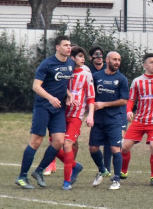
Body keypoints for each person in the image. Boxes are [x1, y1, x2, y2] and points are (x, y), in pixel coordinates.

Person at [16, 36, 75, 189]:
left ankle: (39, 171)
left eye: (70, 45)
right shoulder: (47, 64)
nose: (69, 48)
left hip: (58, 109)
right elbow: (36, 86)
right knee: (36, 141)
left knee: (59, 141)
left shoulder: (70, 63)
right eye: (66, 45)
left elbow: (61, 82)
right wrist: (50, 98)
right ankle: (22, 176)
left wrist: (68, 93)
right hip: (43, 106)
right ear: (57, 47)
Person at [121, 53, 153, 186]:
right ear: (145, 65)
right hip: (139, 120)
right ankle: (124, 171)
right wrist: (128, 111)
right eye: (151, 62)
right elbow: (131, 99)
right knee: (125, 147)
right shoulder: (137, 81)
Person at [51, 46, 95, 190]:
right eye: (80, 56)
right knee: (54, 145)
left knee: (67, 144)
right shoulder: (64, 72)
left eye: (83, 56)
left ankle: (66, 182)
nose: (83, 59)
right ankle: (75, 166)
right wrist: (67, 94)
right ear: (72, 58)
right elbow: (57, 86)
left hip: (76, 115)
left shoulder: (86, 74)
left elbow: (91, 97)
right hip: (60, 113)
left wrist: (90, 115)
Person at [89, 51, 129, 190]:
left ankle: (116, 179)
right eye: (114, 59)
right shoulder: (96, 76)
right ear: (107, 60)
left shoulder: (122, 79)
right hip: (98, 120)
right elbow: (90, 96)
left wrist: (104, 104)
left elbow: (124, 100)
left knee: (114, 148)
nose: (117, 62)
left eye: (119, 60)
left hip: (114, 120)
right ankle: (102, 169)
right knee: (93, 148)